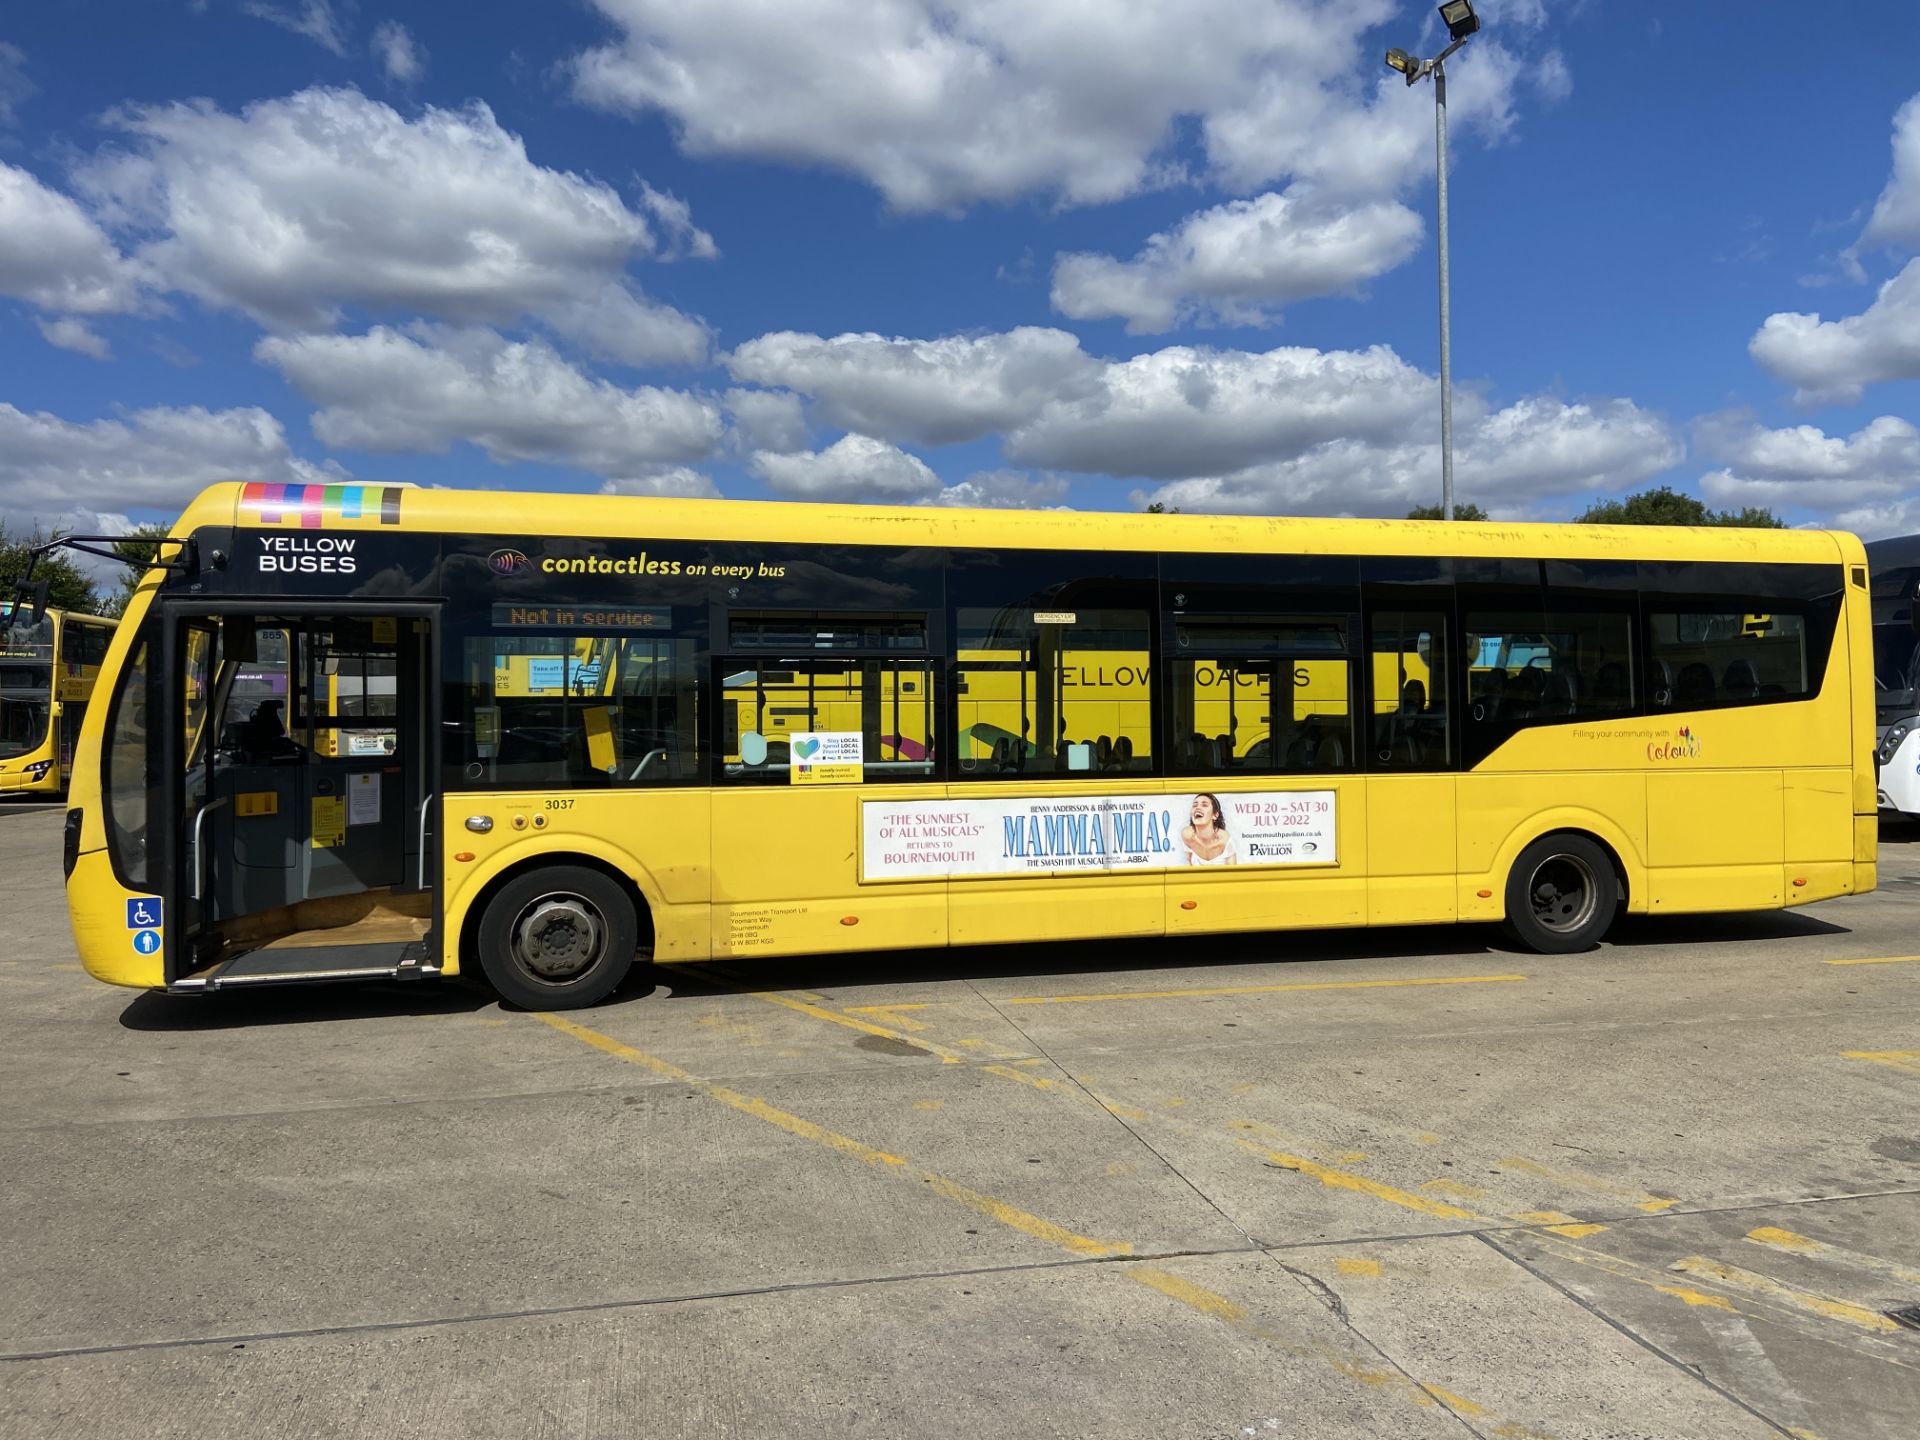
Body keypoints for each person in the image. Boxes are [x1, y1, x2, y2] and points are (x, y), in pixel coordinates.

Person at [1178, 792, 1236, 866]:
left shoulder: (1225, 841)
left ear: (1215, 815)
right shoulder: (1186, 835)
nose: (1197, 808)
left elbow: (1233, 875)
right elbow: (1188, 863)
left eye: (1204, 805)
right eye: (1195, 805)